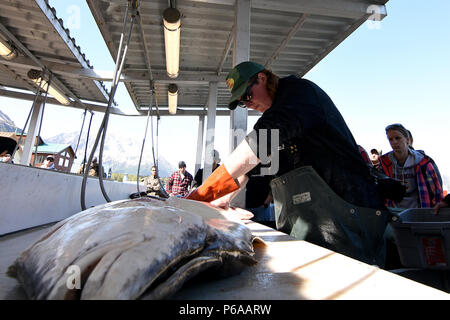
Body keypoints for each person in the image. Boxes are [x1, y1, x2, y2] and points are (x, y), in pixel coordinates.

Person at [187, 61, 390, 266]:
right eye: (241, 102)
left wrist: (202, 194)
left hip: (349, 214)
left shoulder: (298, 94)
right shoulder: (275, 118)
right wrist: (222, 199)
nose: (247, 104)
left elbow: (257, 145)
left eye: (247, 96)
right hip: (309, 225)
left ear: (262, 78)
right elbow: (250, 169)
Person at [379, 123, 443, 208]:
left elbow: (436, 189)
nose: (394, 142)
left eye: (397, 138)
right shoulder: (385, 163)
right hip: (394, 211)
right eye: (390, 139)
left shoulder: (423, 162)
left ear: (407, 140)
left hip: (419, 210)